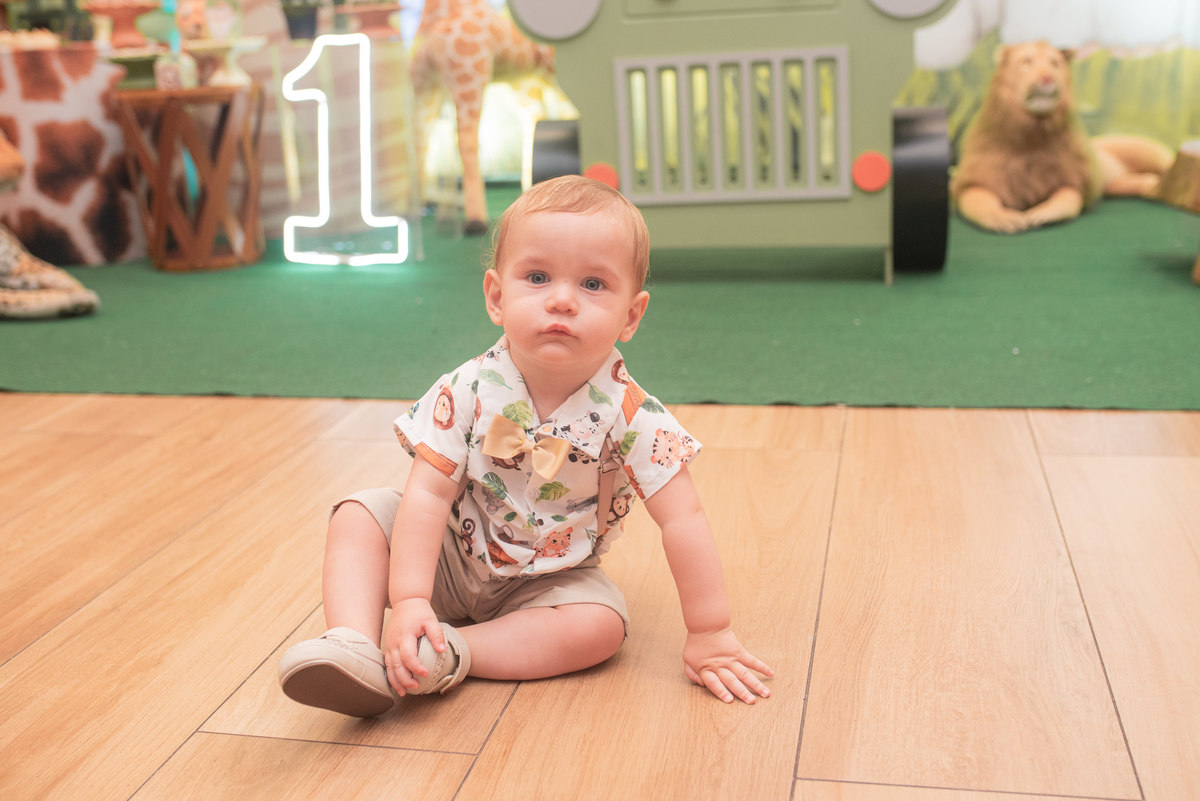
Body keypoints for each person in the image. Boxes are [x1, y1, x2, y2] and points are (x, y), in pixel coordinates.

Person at [279, 175, 772, 717]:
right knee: (360, 514)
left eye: (592, 284)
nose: (561, 300)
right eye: (537, 277)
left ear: (631, 316)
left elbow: (683, 520)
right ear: (497, 297)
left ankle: (448, 653)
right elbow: (428, 496)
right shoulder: (466, 389)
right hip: (451, 556)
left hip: (548, 584)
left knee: (601, 625)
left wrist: (710, 632)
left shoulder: (633, 417)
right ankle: (353, 644)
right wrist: (412, 597)